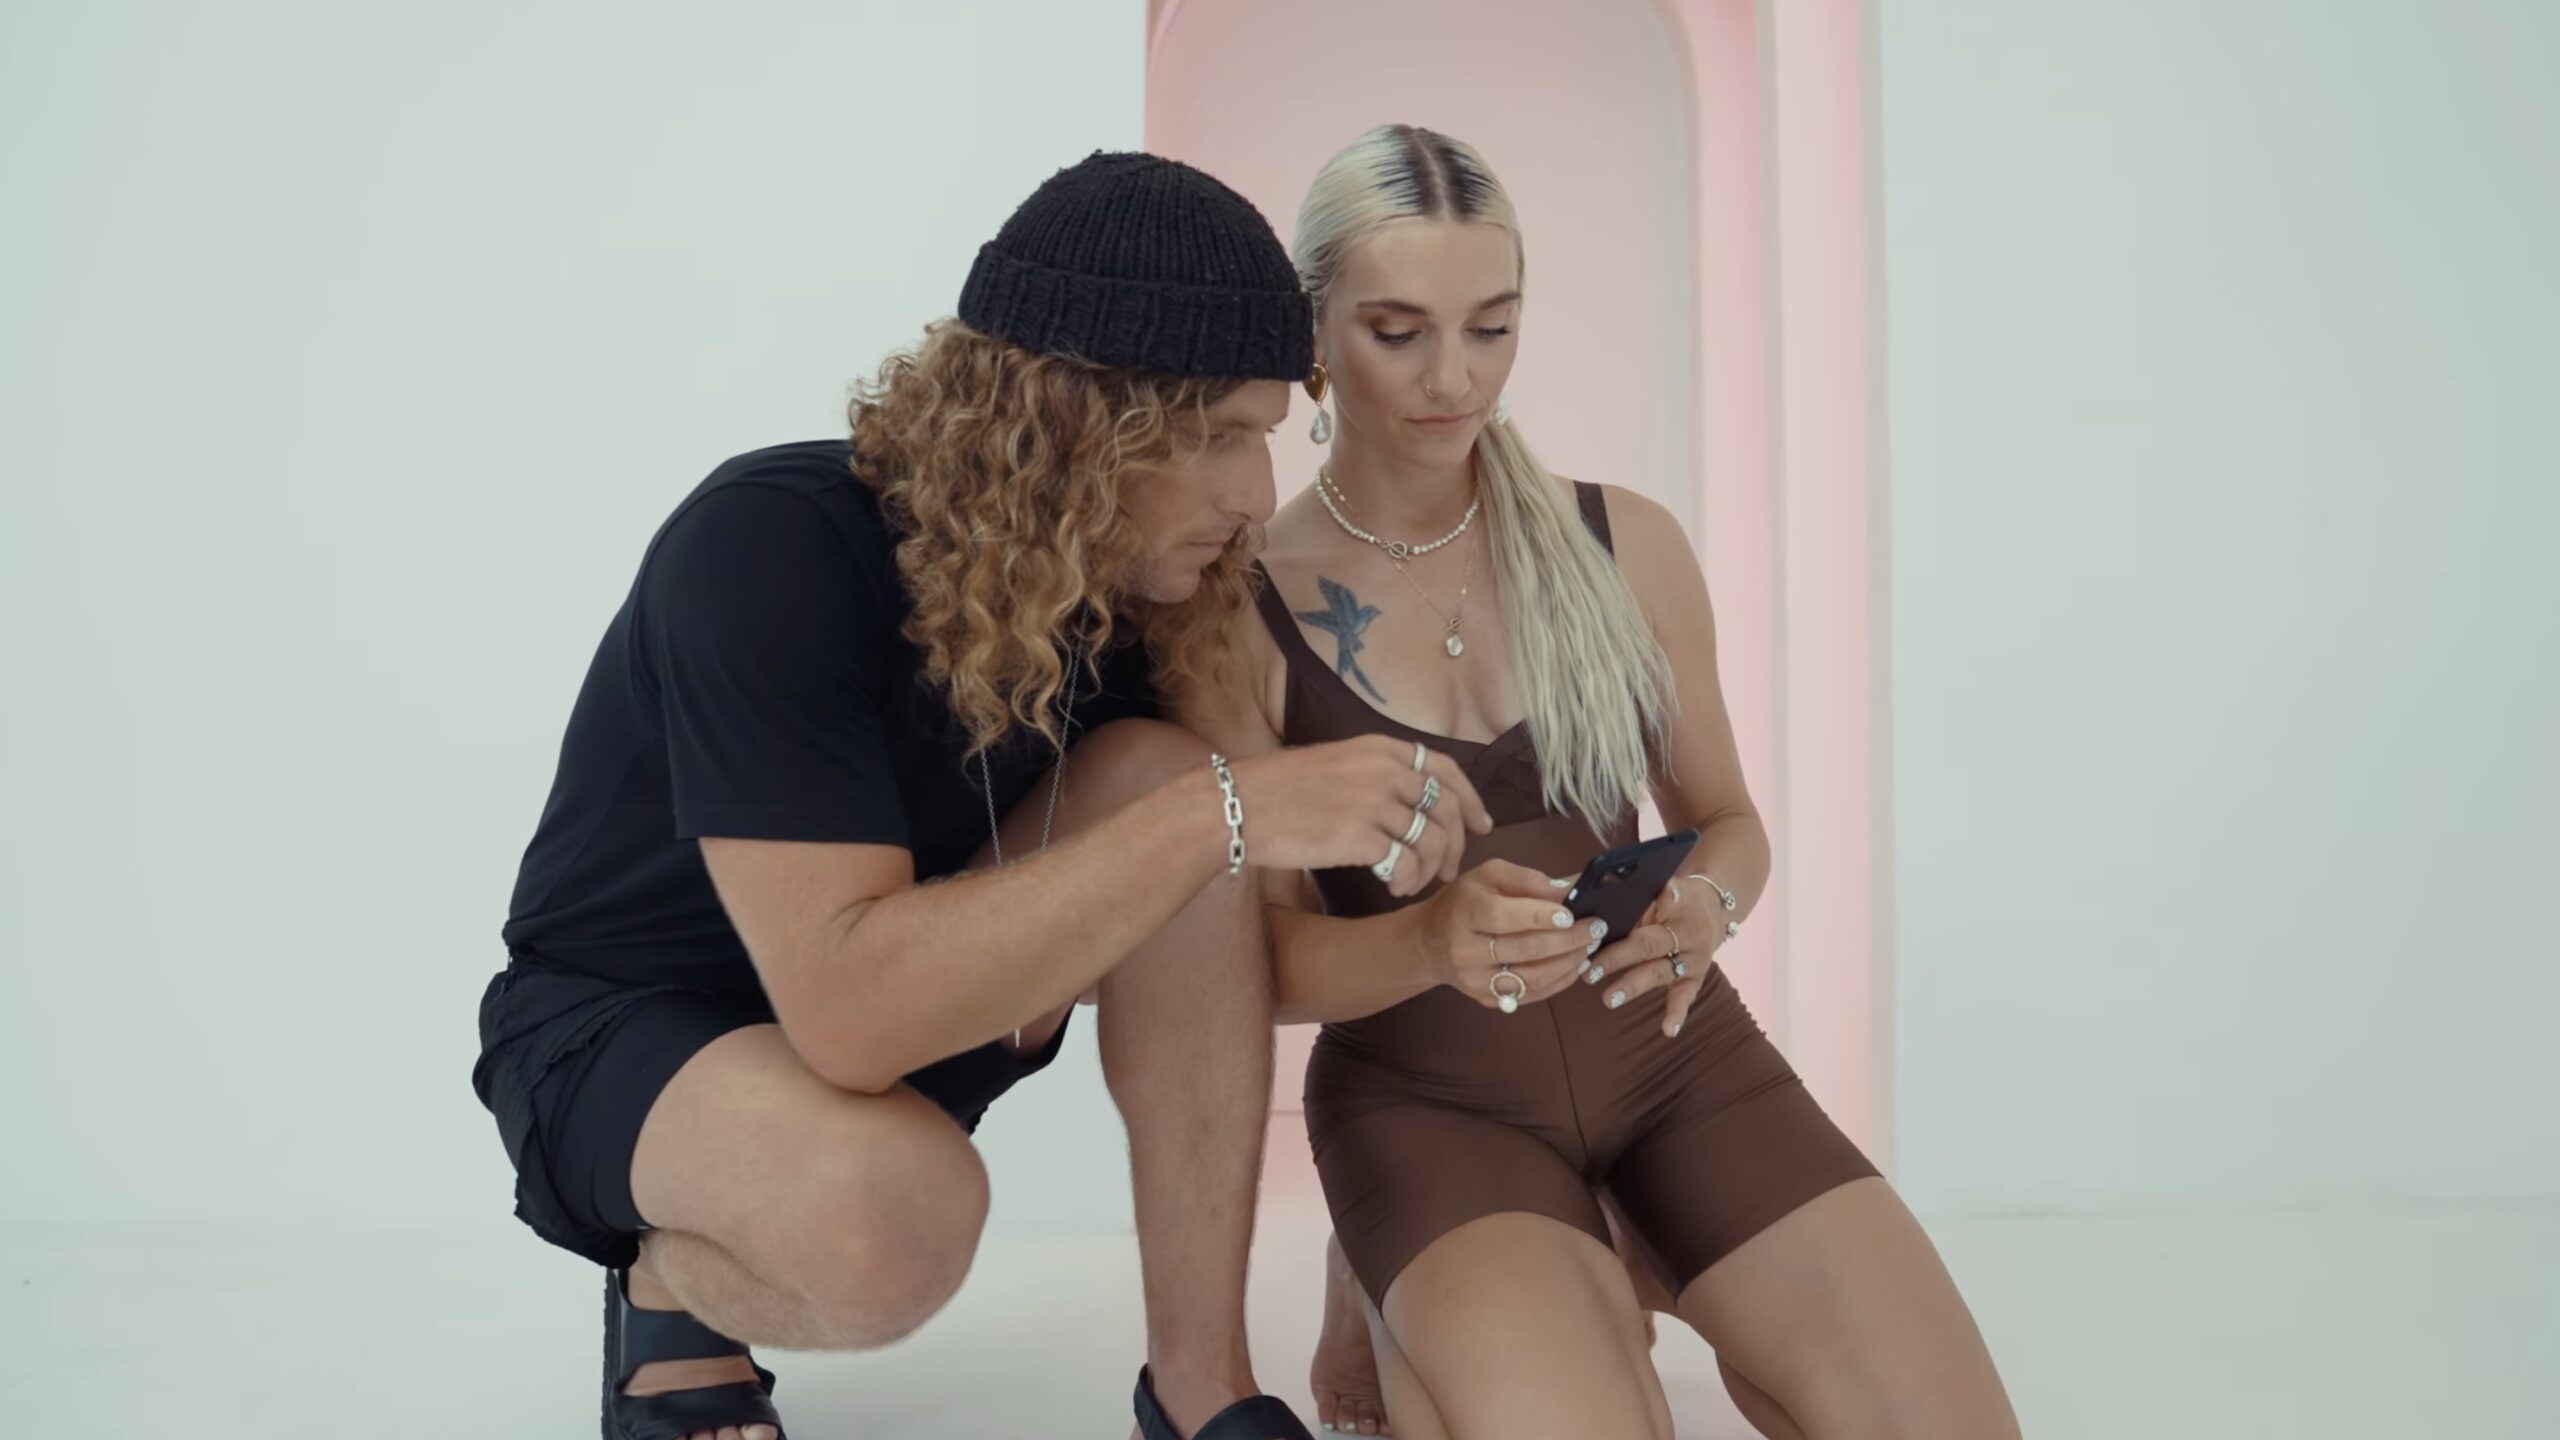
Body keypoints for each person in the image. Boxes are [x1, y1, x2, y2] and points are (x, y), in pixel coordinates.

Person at [471, 151, 1499, 1440]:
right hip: (629, 1029)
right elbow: (848, 1014)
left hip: (914, 991)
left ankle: (1200, 1388)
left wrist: (1451, 930)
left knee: (1167, 780)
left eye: (1266, 437)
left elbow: (1231, 950)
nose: (1255, 495)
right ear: (1078, 424)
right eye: (1218, 439)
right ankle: (669, 1286)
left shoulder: (1147, 598)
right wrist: (1225, 813)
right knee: (896, 1222)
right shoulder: (763, 548)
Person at [1174, 126, 2022, 1440]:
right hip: (1429, 1103)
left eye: (1492, 326)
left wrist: (1709, 908)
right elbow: (1265, 971)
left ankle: (1601, 1244)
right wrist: (1431, 936)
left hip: (1680, 1065)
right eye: (1398, 331)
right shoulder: (1242, 611)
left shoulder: (1624, 546)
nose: (1454, 378)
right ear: (1313, 335)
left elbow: (1729, 826)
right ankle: (1426, 1278)